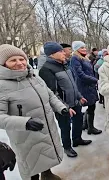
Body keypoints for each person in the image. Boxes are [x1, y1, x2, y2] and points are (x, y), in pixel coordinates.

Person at [0, 44, 74, 180]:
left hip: (46, 127)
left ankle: (47, 174)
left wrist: (61, 107)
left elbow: (50, 94)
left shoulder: (34, 77)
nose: (19, 63)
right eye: (13, 60)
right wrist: (25, 123)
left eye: (21, 59)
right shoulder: (2, 86)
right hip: (25, 135)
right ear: (4, 63)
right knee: (31, 162)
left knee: (45, 154)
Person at [39, 42, 92, 158]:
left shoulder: (65, 64)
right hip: (62, 105)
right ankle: (67, 147)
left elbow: (73, 84)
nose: (64, 53)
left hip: (75, 101)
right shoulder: (46, 69)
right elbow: (52, 92)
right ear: (52, 54)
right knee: (65, 126)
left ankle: (77, 139)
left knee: (78, 121)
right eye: (61, 51)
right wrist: (65, 107)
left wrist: (79, 96)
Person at [70, 41, 102, 135]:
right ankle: (90, 127)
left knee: (91, 106)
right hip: (83, 86)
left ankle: (87, 125)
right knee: (89, 106)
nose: (84, 49)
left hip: (89, 86)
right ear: (76, 49)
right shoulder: (75, 58)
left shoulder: (84, 58)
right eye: (81, 48)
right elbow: (80, 74)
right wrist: (95, 80)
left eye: (84, 47)